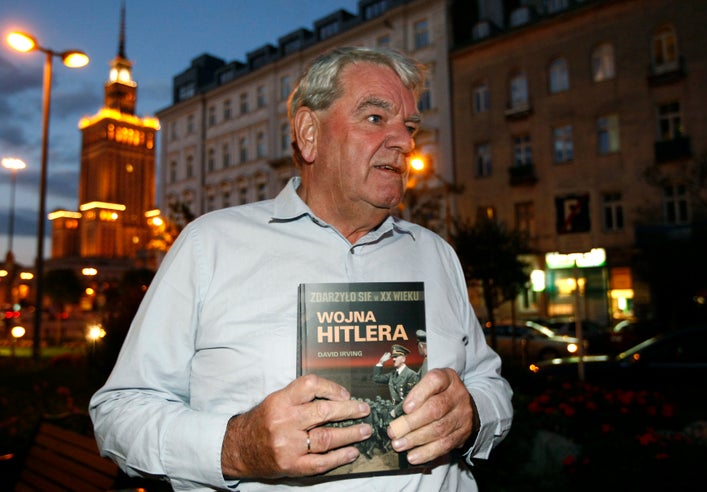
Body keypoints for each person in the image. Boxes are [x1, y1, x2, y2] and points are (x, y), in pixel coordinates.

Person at [90, 46, 513, 490]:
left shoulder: (437, 253)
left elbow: (489, 383)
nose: (405, 141)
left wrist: (473, 413)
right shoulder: (209, 245)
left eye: (409, 127)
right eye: (375, 118)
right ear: (309, 133)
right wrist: (236, 447)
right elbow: (119, 412)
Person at [372, 344, 419, 418]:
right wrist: (381, 362)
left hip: (405, 412)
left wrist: (396, 411)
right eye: (393, 357)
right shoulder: (392, 374)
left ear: (403, 359)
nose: (393, 359)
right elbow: (376, 378)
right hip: (393, 410)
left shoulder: (411, 375)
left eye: (396, 357)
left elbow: (410, 397)